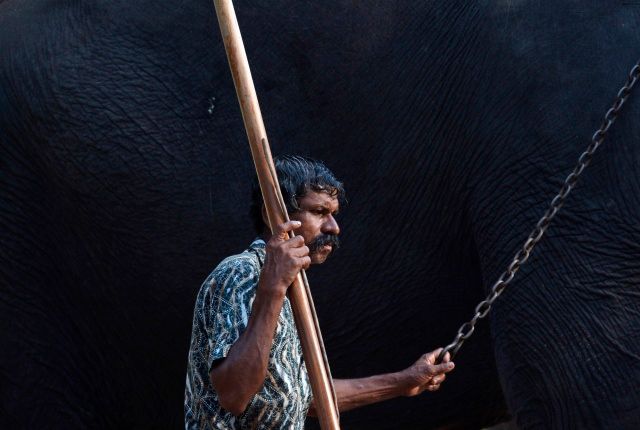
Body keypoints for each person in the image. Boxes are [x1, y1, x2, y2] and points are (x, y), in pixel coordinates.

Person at [184, 155, 454, 429]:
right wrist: (272, 288)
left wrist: (405, 380)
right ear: (272, 215)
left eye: (333, 214)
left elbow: (307, 397)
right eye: (319, 212)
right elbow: (234, 395)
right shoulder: (241, 273)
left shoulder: (292, 289)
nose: (333, 227)